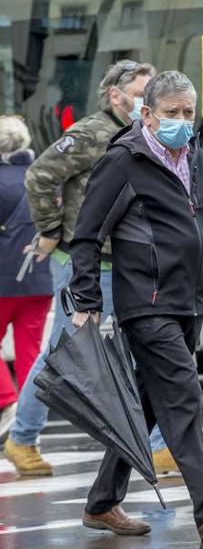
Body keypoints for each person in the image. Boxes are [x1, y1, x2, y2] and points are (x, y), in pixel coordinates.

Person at [69, 69, 203, 541]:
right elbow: (86, 236)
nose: (182, 122)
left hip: (189, 301)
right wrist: (85, 299)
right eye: (172, 114)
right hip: (145, 304)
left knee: (149, 400)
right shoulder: (124, 161)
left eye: (188, 113)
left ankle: (102, 502)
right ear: (146, 114)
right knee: (182, 393)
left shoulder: (196, 155)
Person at [5, 60, 172, 478]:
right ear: (115, 95)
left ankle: (159, 445)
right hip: (93, 263)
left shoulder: (145, 133)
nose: (146, 100)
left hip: (134, 260)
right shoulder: (90, 133)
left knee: (146, 349)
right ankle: (23, 437)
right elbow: (40, 175)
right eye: (140, 92)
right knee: (66, 352)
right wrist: (50, 230)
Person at [0, 116, 52, 437]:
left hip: (3, 281)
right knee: (30, 351)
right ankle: (29, 422)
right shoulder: (42, 178)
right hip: (39, 279)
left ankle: (9, 400)